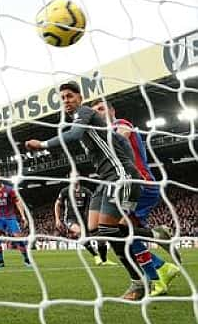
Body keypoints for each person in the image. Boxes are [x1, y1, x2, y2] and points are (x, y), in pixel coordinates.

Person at [24, 81, 171, 300]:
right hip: (114, 179)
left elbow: (74, 135)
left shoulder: (84, 113)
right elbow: (122, 141)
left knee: (109, 230)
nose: (66, 100)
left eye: (70, 96)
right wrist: (129, 165)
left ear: (80, 98)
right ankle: (156, 235)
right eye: (62, 97)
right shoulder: (89, 123)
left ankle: (138, 283)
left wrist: (43, 144)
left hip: (121, 179)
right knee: (103, 230)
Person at [91, 99, 180, 295]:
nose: (98, 113)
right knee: (122, 232)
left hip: (141, 184)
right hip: (130, 186)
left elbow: (124, 132)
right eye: (94, 111)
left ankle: (157, 253)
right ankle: (160, 271)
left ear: (112, 110)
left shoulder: (120, 124)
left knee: (118, 229)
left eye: (101, 108)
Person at [55, 180, 117, 266]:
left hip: (84, 219)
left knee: (101, 239)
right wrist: (57, 219)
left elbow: (94, 202)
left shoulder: (86, 191)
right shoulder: (65, 191)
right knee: (80, 232)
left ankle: (104, 260)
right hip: (70, 219)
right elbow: (57, 204)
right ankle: (96, 256)